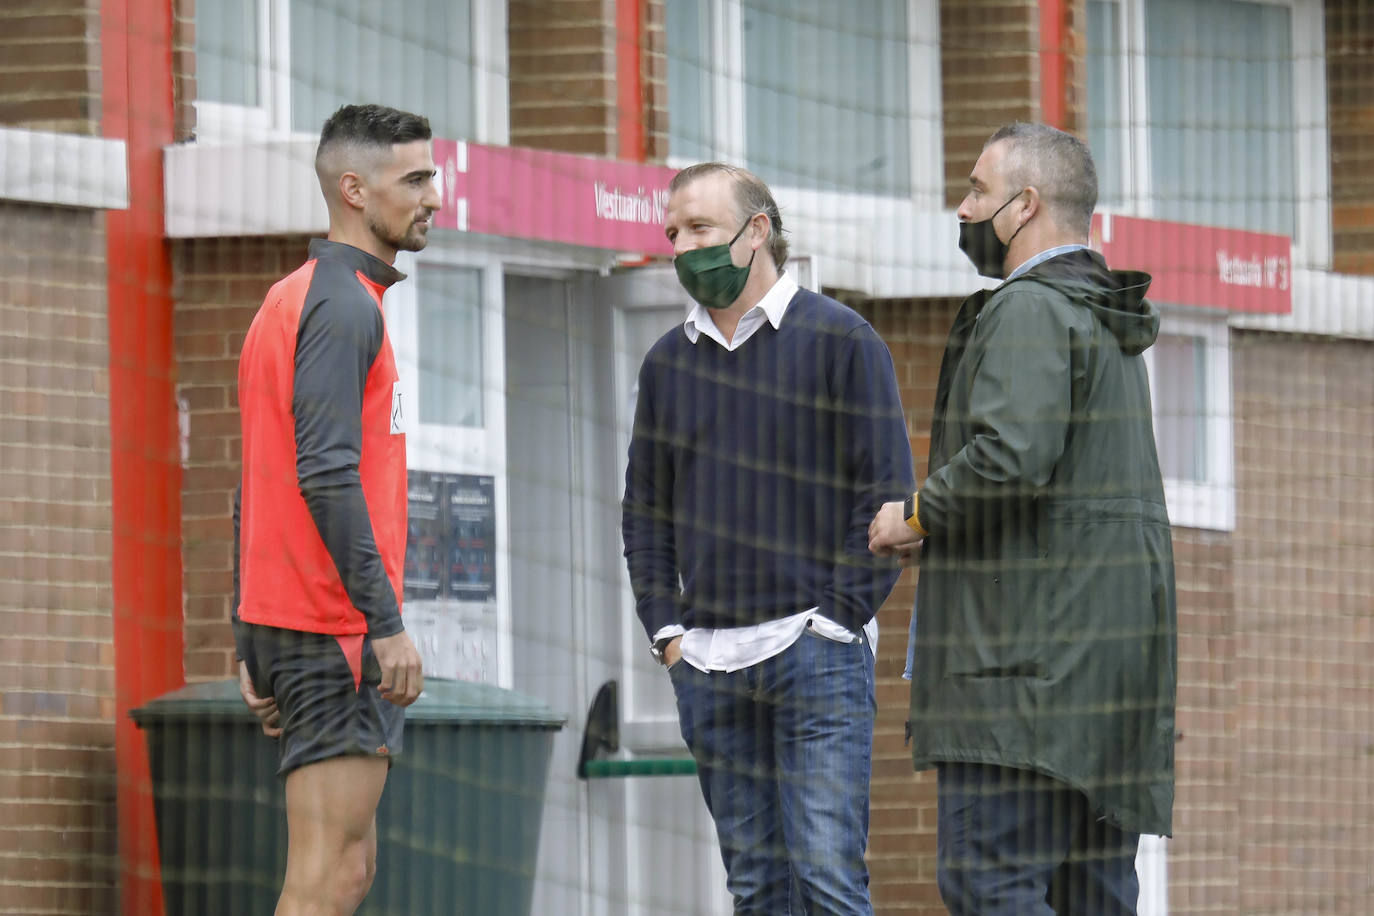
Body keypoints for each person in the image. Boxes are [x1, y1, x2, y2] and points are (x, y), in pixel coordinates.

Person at [868, 121, 1177, 915]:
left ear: (1024, 205)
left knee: (990, 885)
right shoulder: (1105, 324)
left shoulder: (1030, 310)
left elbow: (1009, 458)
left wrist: (917, 515)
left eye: (976, 190)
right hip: (1103, 689)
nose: (964, 206)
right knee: (1092, 898)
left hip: (1020, 689)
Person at [622, 162, 914, 914]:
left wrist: (835, 622)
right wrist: (666, 632)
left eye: (701, 230)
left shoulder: (843, 340)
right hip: (709, 664)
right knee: (756, 891)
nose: (684, 248)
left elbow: (884, 495)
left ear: (758, 232)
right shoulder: (665, 363)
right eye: (673, 234)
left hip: (815, 656)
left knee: (827, 882)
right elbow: (645, 511)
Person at [231, 103, 438, 916]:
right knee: (326, 876)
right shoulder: (344, 306)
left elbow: (258, 477)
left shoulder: (292, 298)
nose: (433, 195)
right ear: (354, 189)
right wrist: (384, 624)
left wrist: (247, 632)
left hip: (296, 627)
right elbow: (321, 475)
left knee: (346, 872)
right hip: (332, 633)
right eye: (414, 179)